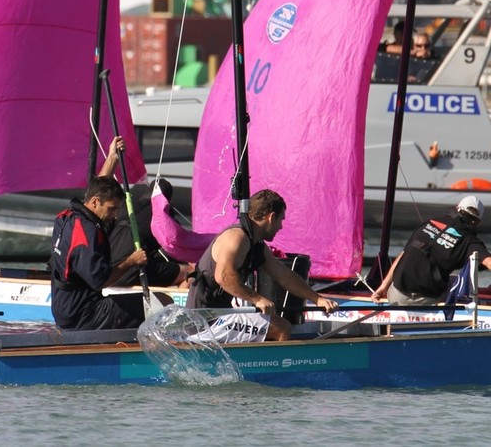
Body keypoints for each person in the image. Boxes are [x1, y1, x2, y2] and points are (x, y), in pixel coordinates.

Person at [186, 188, 339, 342]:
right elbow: (224, 277)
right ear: (271, 217)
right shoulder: (237, 237)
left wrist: (317, 299)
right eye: (281, 219)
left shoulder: (257, 245)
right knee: (281, 327)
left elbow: (284, 276)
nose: (281, 227)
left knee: (268, 322)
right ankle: (282, 365)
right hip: (204, 321)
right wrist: (257, 299)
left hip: (219, 315)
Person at [371, 195, 491, 306]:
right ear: (477, 222)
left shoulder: (430, 223)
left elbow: (403, 255)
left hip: (396, 294)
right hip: (425, 300)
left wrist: (382, 288)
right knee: (459, 284)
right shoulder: (469, 241)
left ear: (456, 207)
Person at [49, 175, 148, 330]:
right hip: (83, 316)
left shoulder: (65, 218)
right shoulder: (88, 233)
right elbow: (101, 281)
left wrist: (112, 157)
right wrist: (132, 261)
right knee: (160, 302)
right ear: (95, 202)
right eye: (112, 209)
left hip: (62, 312)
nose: (115, 215)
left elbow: (96, 187)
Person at [99, 137, 194, 287]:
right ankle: (180, 307)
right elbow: (178, 246)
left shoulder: (123, 208)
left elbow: (99, 189)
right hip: (131, 271)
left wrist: (112, 157)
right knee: (189, 272)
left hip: (108, 272)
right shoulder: (163, 217)